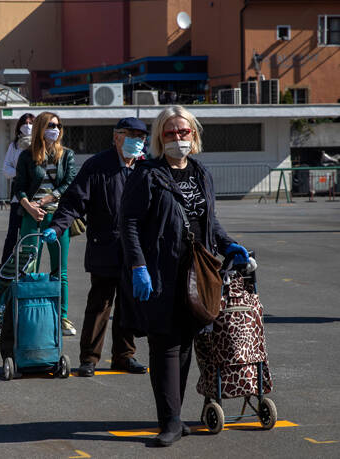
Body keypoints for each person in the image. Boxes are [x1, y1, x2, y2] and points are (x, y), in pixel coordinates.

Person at [119, 106, 251, 447]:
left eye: (183, 132)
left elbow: (210, 222)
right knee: (165, 343)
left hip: (199, 271)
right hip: (160, 270)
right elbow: (129, 223)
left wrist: (232, 246)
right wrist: (138, 266)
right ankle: (171, 420)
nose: (178, 138)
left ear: (194, 134)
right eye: (170, 133)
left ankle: (174, 416)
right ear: (159, 138)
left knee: (186, 342)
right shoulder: (147, 174)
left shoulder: (200, 172)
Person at [43, 117, 149, 376]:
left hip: (136, 250)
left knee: (129, 303)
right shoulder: (97, 165)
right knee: (100, 304)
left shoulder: (147, 167)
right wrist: (57, 226)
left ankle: (124, 356)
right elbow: (74, 202)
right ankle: (89, 358)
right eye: (131, 135)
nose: (137, 141)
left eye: (141, 136)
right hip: (105, 245)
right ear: (116, 137)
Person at [12, 111, 77, 335]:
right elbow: (18, 186)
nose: (55, 129)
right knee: (30, 266)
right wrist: (28, 205)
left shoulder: (66, 155)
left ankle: (63, 316)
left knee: (61, 269)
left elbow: (69, 183)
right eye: (51, 125)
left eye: (58, 125)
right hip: (32, 215)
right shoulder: (26, 156)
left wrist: (50, 198)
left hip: (57, 217)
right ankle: (30, 313)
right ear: (41, 127)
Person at [0, 113, 34, 266]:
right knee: (12, 235)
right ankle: (4, 269)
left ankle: (26, 269)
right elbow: (6, 170)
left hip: (35, 199)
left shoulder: (41, 144)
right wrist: (21, 173)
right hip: (17, 198)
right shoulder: (14, 146)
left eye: (30, 122)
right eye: (24, 122)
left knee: (30, 236)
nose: (27, 125)